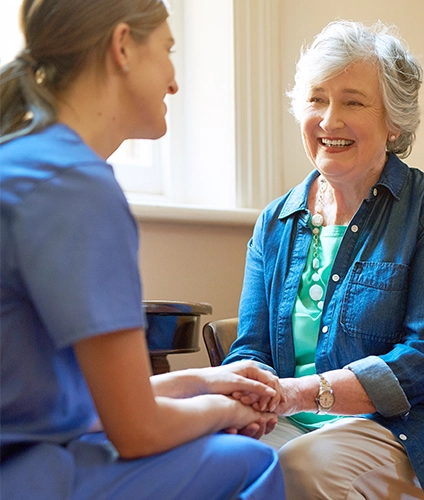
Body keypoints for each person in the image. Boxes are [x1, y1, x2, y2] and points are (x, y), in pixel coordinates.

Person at [0, 1, 285, 499]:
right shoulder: (76, 185)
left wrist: (205, 382)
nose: (174, 82)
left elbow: (76, 403)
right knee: (253, 462)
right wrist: (230, 411)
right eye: (169, 50)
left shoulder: (23, 161)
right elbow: (137, 430)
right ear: (123, 45)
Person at [224, 20, 424, 500]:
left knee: (303, 470)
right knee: (204, 459)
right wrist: (249, 394)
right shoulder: (275, 221)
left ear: (393, 122)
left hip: (418, 429)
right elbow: (251, 347)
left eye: (352, 102)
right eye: (317, 99)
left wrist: (302, 393)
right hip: (295, 424)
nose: (329, 121)